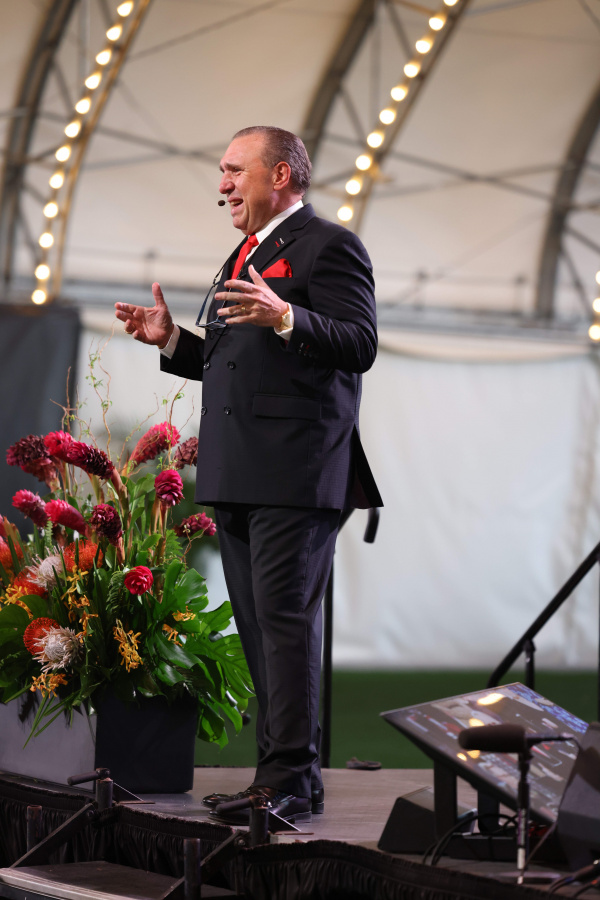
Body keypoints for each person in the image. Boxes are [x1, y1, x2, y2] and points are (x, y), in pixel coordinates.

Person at [115, 125, 382, 825]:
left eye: (236, 169)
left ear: (282, 175)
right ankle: (290, 779)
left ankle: (286, 779)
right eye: (223, 171)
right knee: (262, 629)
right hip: (237, 472)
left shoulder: (330, 246)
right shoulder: (244, 253)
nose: (223, 184)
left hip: (295, 472)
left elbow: (360, 343)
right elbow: (234, 364)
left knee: (285, 624)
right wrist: (173, 340)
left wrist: (287, 314)